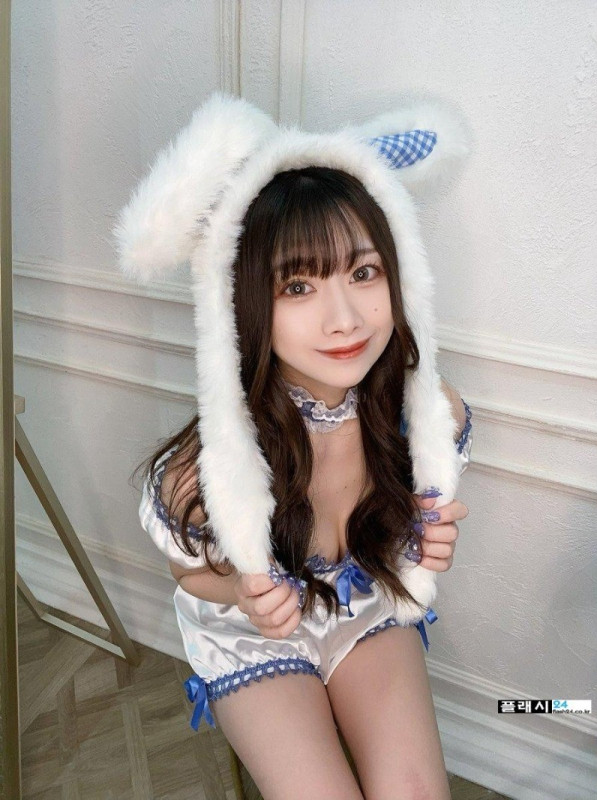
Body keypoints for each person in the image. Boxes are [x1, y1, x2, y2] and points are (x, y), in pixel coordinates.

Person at [116, 92, 474, 800]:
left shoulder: (422, 416)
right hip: (252, 634)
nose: (345, 318)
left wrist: (417, 535)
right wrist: (244, 593)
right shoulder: (202, 471)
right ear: (243, 300)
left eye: (364, 273)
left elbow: (395, 525)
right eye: (300, 284)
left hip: (363, 604)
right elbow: (189, 574)